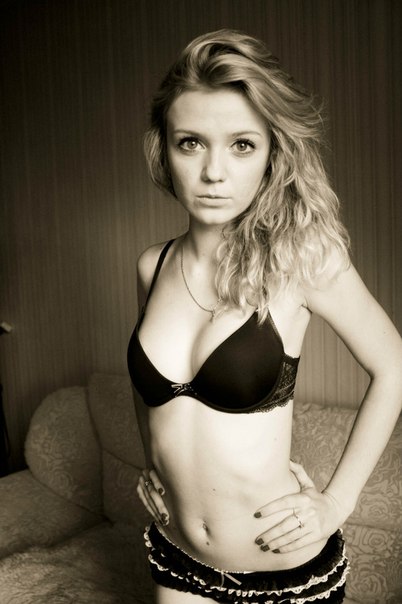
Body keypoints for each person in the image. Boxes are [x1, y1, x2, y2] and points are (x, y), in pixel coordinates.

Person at [127, 29, 402, 604]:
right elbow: (147, 387)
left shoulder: (302, 263)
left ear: (273, 153)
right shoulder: (154, 267)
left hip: (281, 567)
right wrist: (150, 461)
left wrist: (337, 501)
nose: (214, 172)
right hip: (175, 558)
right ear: (163, 150)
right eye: (191, 143)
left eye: (242, 145)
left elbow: (394, 366)